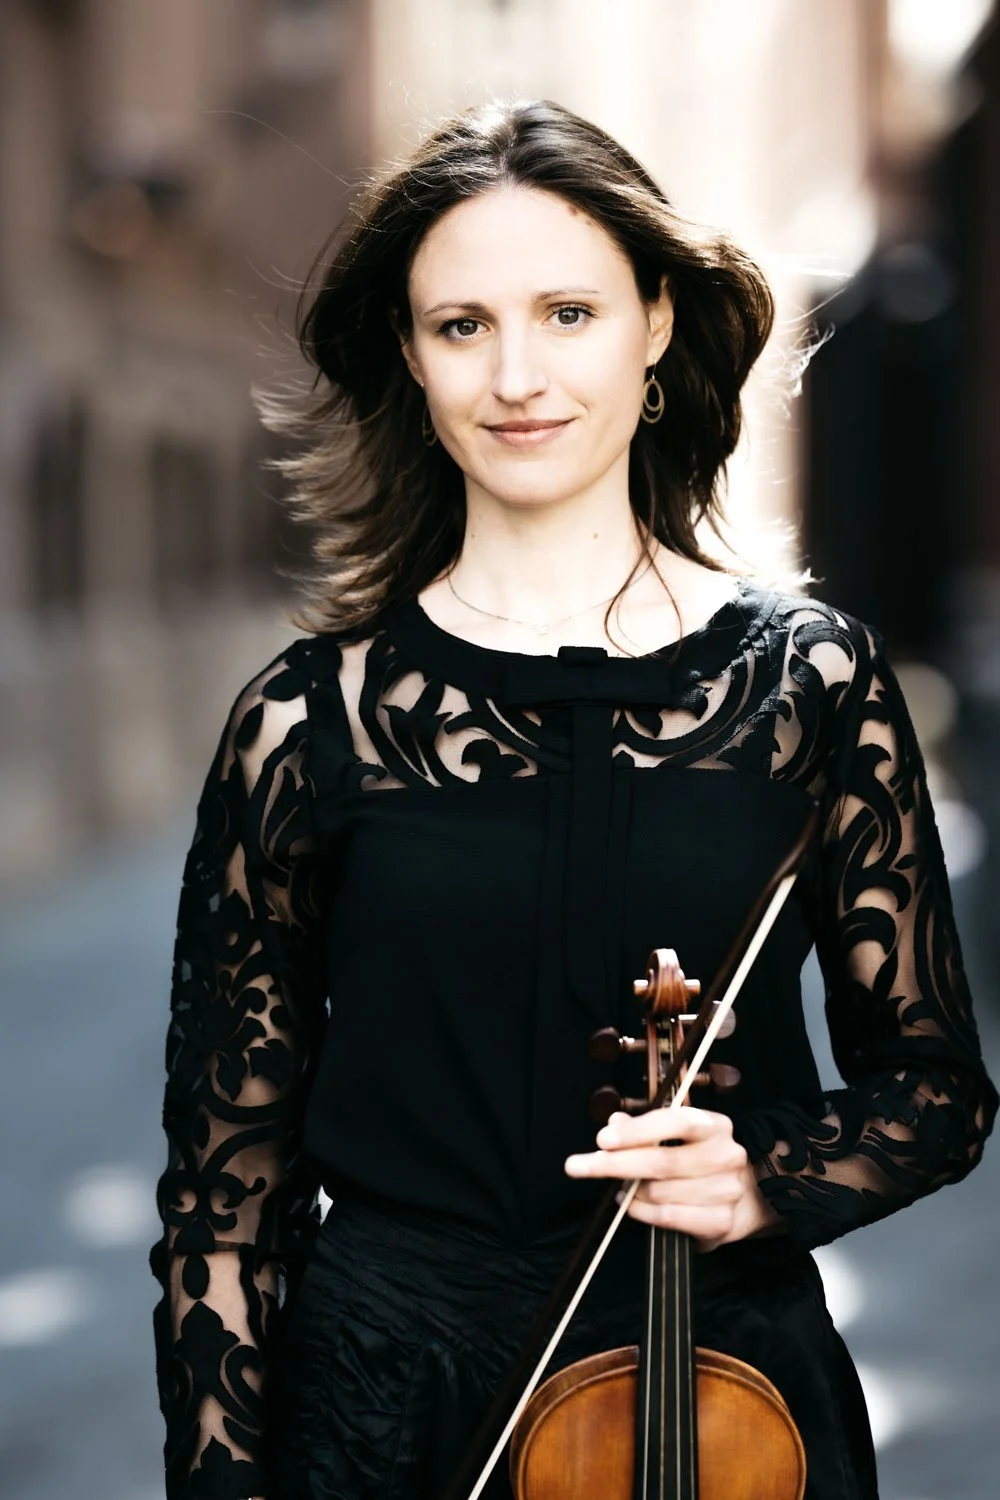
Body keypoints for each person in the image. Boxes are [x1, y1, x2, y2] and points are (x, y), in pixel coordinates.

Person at [149, 97, 997, 1500]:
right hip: (387, 1418)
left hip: (726, 1402)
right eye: (461, 325)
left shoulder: (811, 683)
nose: (516, 376)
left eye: (567, 313)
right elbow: (224, 1200)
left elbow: (937, 1088)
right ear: (409, 355)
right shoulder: (307, 721)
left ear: (655, 323)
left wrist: (767, 1174)